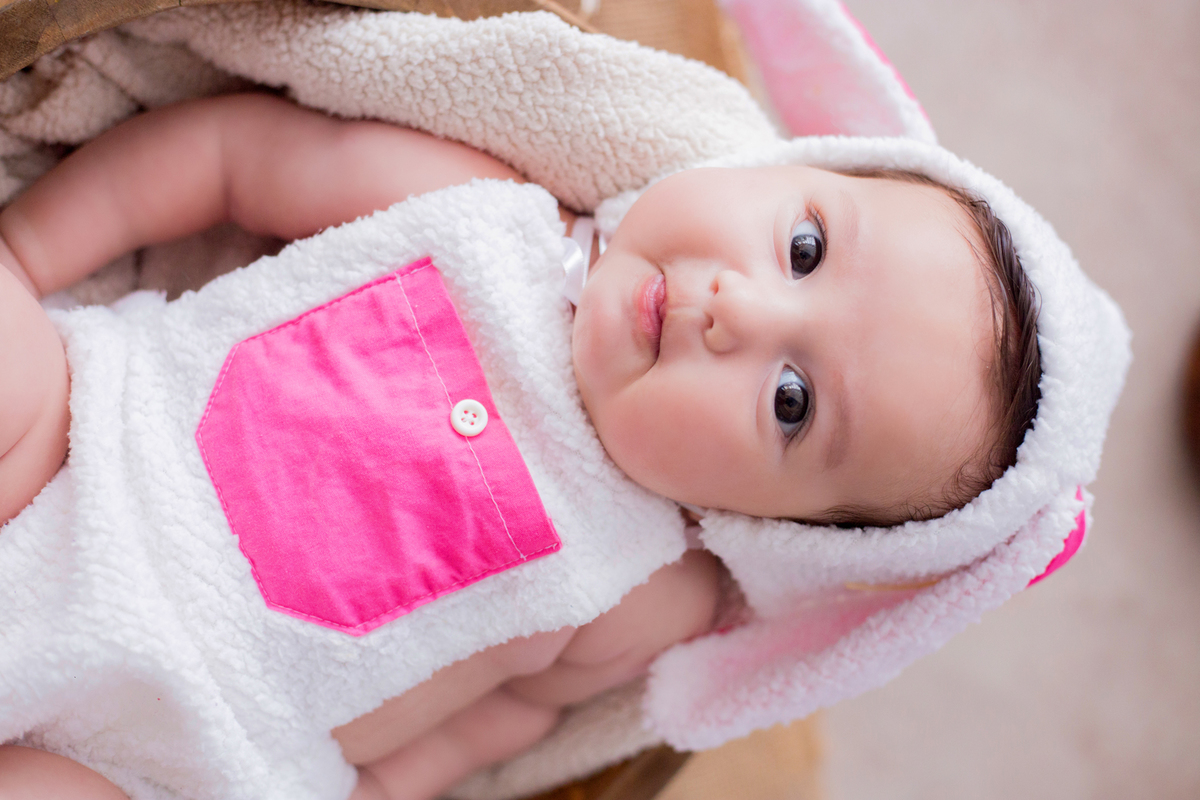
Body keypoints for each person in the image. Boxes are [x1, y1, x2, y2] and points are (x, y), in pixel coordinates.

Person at [0, 92, 1038, 800]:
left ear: (781, 527)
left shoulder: (644, 584)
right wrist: (29, 250)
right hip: (84, 447)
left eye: (792, 400)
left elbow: (495, 719)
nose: (740, 309)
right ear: (781, 169)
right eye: (803, 248)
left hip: (182, 737)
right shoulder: (481, 218)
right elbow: (234, 158)